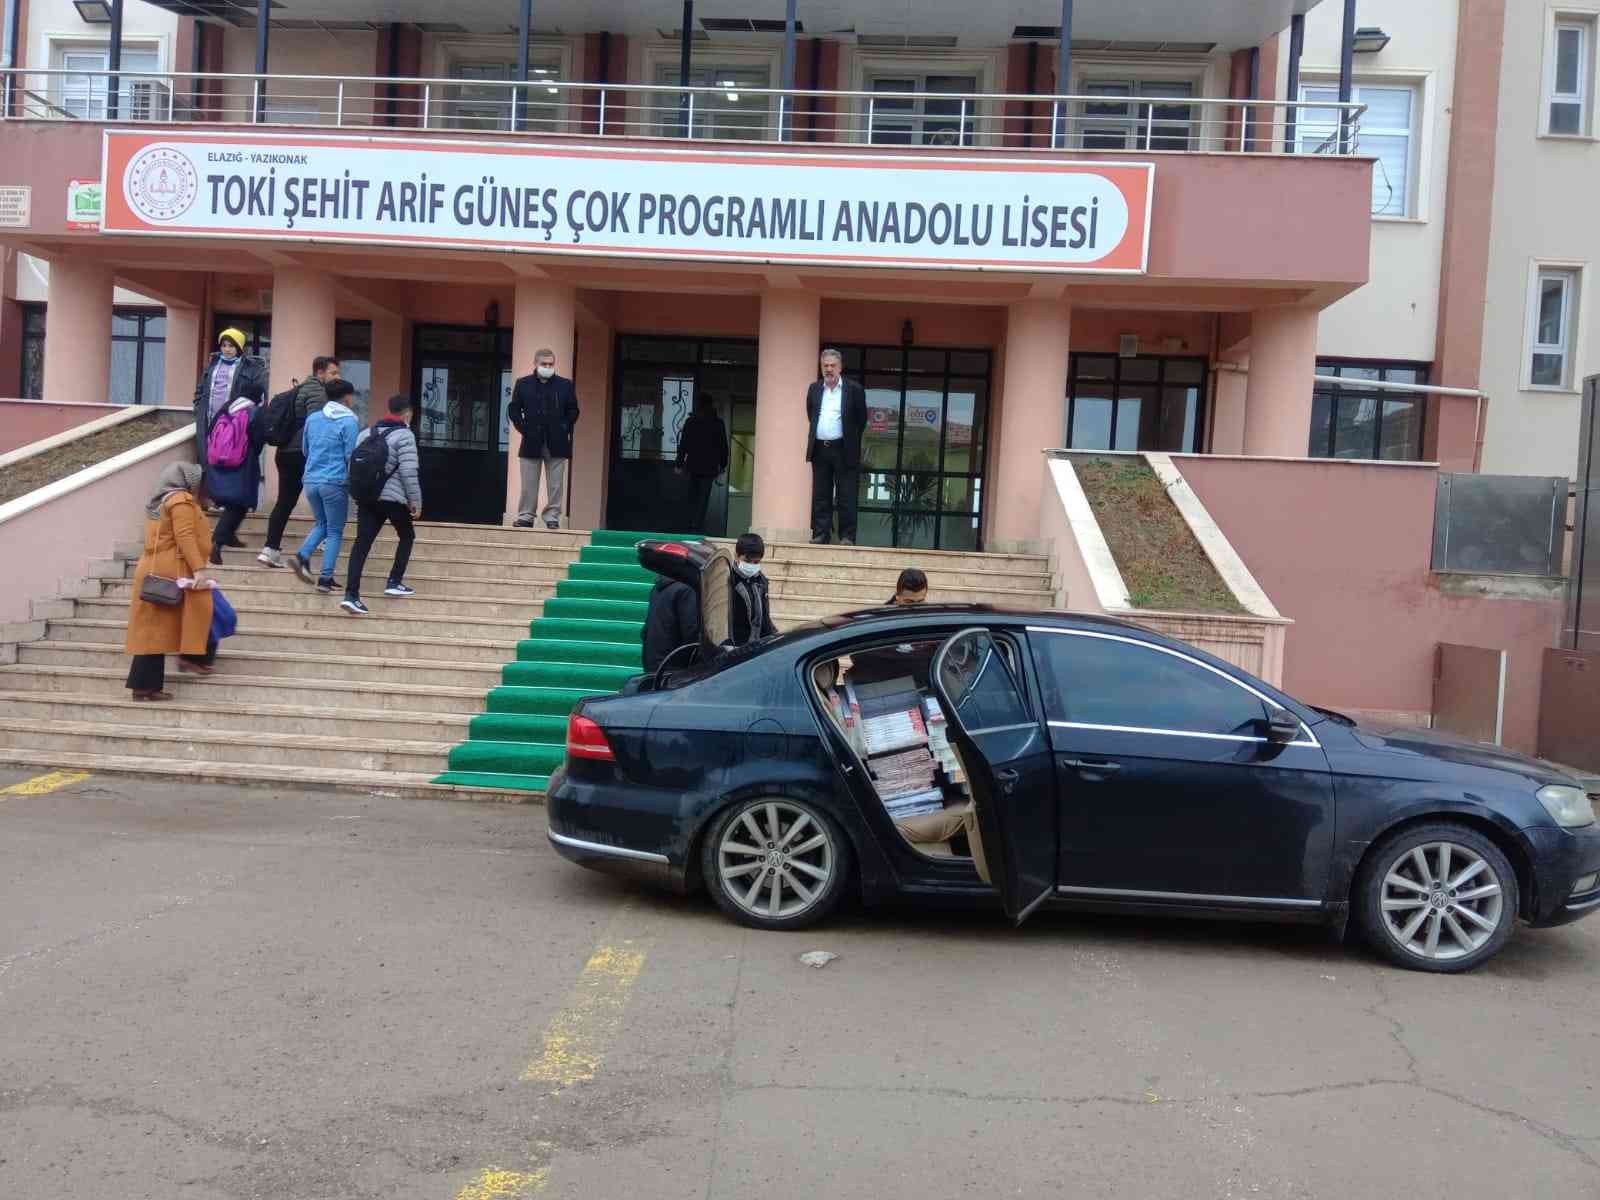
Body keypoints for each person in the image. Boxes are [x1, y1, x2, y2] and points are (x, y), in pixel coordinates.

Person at [124, 463, 217, 700]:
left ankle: (148, 684)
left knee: (153, 631)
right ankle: (148, 686)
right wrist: (199, 569)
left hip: (158, 567)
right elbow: (184, 535)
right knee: (160, 630)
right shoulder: (180, 501)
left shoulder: (161, 501)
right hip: (173, 571)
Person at [341, 394, 422, 616]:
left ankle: (351, 595)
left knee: (361, 544)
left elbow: (352, 465)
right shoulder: (405, 435)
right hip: (393, 498)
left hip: (367, 497)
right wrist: (415, 501)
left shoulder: (367, 433)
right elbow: (408, 471)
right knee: (407, 536)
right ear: (407, 413)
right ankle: (394, 581)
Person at [259, 355, 341, 568]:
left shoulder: (301, 389)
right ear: (320, 373)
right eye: (333, 373)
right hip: (304, 452)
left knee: (285, 502)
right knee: (323, 494)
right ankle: (324, 538)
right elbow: (317, 425)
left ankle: (270, 549)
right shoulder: (318, 392)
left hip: (285, 452)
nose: (337, 377)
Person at [191, 327, 266, 531]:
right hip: (209, 421)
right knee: (209, 459)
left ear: (239, 347)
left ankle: (228, 498)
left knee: (231, 458)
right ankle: (213, 497)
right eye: (224, 345)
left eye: (231, 346)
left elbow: (260, 391)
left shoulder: (250, 367)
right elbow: (201, 390)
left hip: (233, 421)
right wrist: (198, 407)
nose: (226, 349)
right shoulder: (213, 364)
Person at [291, 378, 359, 594]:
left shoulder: (313, 418)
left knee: (321, 523)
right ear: (347, 397)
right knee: (335, 530)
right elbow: (351, 455)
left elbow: (305, 449)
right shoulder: (349, 421)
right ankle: (325, 576)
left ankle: (303, 557)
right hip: (335, 482)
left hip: (310, 480)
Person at [507, 346, 580, 529]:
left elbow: (573, 410)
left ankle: (552, 517)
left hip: (557, 441)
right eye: (544, 363)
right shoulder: (523, 384)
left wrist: (565, 427)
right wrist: (523, 428)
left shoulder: (565, 385)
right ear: (536, 363)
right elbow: (514, 409)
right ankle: (526, 516)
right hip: (531, 440)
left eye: (551, 364)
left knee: (556, 485)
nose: (548, 366)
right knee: (528, 483)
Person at [805, 348, 868, 545]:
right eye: (825, 365)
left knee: (846, 494)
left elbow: (861, 420)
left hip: (844, 449)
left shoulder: (854, 389)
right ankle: (821, 534)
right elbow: (811, 414)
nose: (829, 369)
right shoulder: (814, 389)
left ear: (840, 367)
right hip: (820, 449)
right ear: (821, 367)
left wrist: (850, 441)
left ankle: (847, 536)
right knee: (820, 494)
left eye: (833, 365)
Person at [203, 390, 264, 564]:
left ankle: (229, 536)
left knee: (236, 503)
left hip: (220, 463)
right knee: (238, 504)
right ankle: (217, 542)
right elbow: (258, 438)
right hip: (243, 463)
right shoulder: (253, 411)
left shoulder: (226, 408)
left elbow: (210, 432)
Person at [676, 394, 729, 533]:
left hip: (693, 465)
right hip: (709, 467)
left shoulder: (691, 422)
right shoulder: (718, 423)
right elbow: (723, 446)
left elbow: (683, 444)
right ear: (711, 405)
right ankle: (697, 525)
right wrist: (723, 465)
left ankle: (688, 524)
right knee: (703, 498)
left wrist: (679, 463)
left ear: (698, 405)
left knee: (691, 496)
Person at [642, 571, 700, 675]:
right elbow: (691, 632)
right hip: (674, 670)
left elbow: (646, 631)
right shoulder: (686, 590)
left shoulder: (657, 588)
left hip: (654, 666)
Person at [729, 532, 778, 646]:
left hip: (756, 645)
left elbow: (765, 618)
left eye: (756, 562)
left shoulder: (761, 581)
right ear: (737, 556)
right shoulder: (729, 580)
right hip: (735, 646)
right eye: (747, 561)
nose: (751, 565)